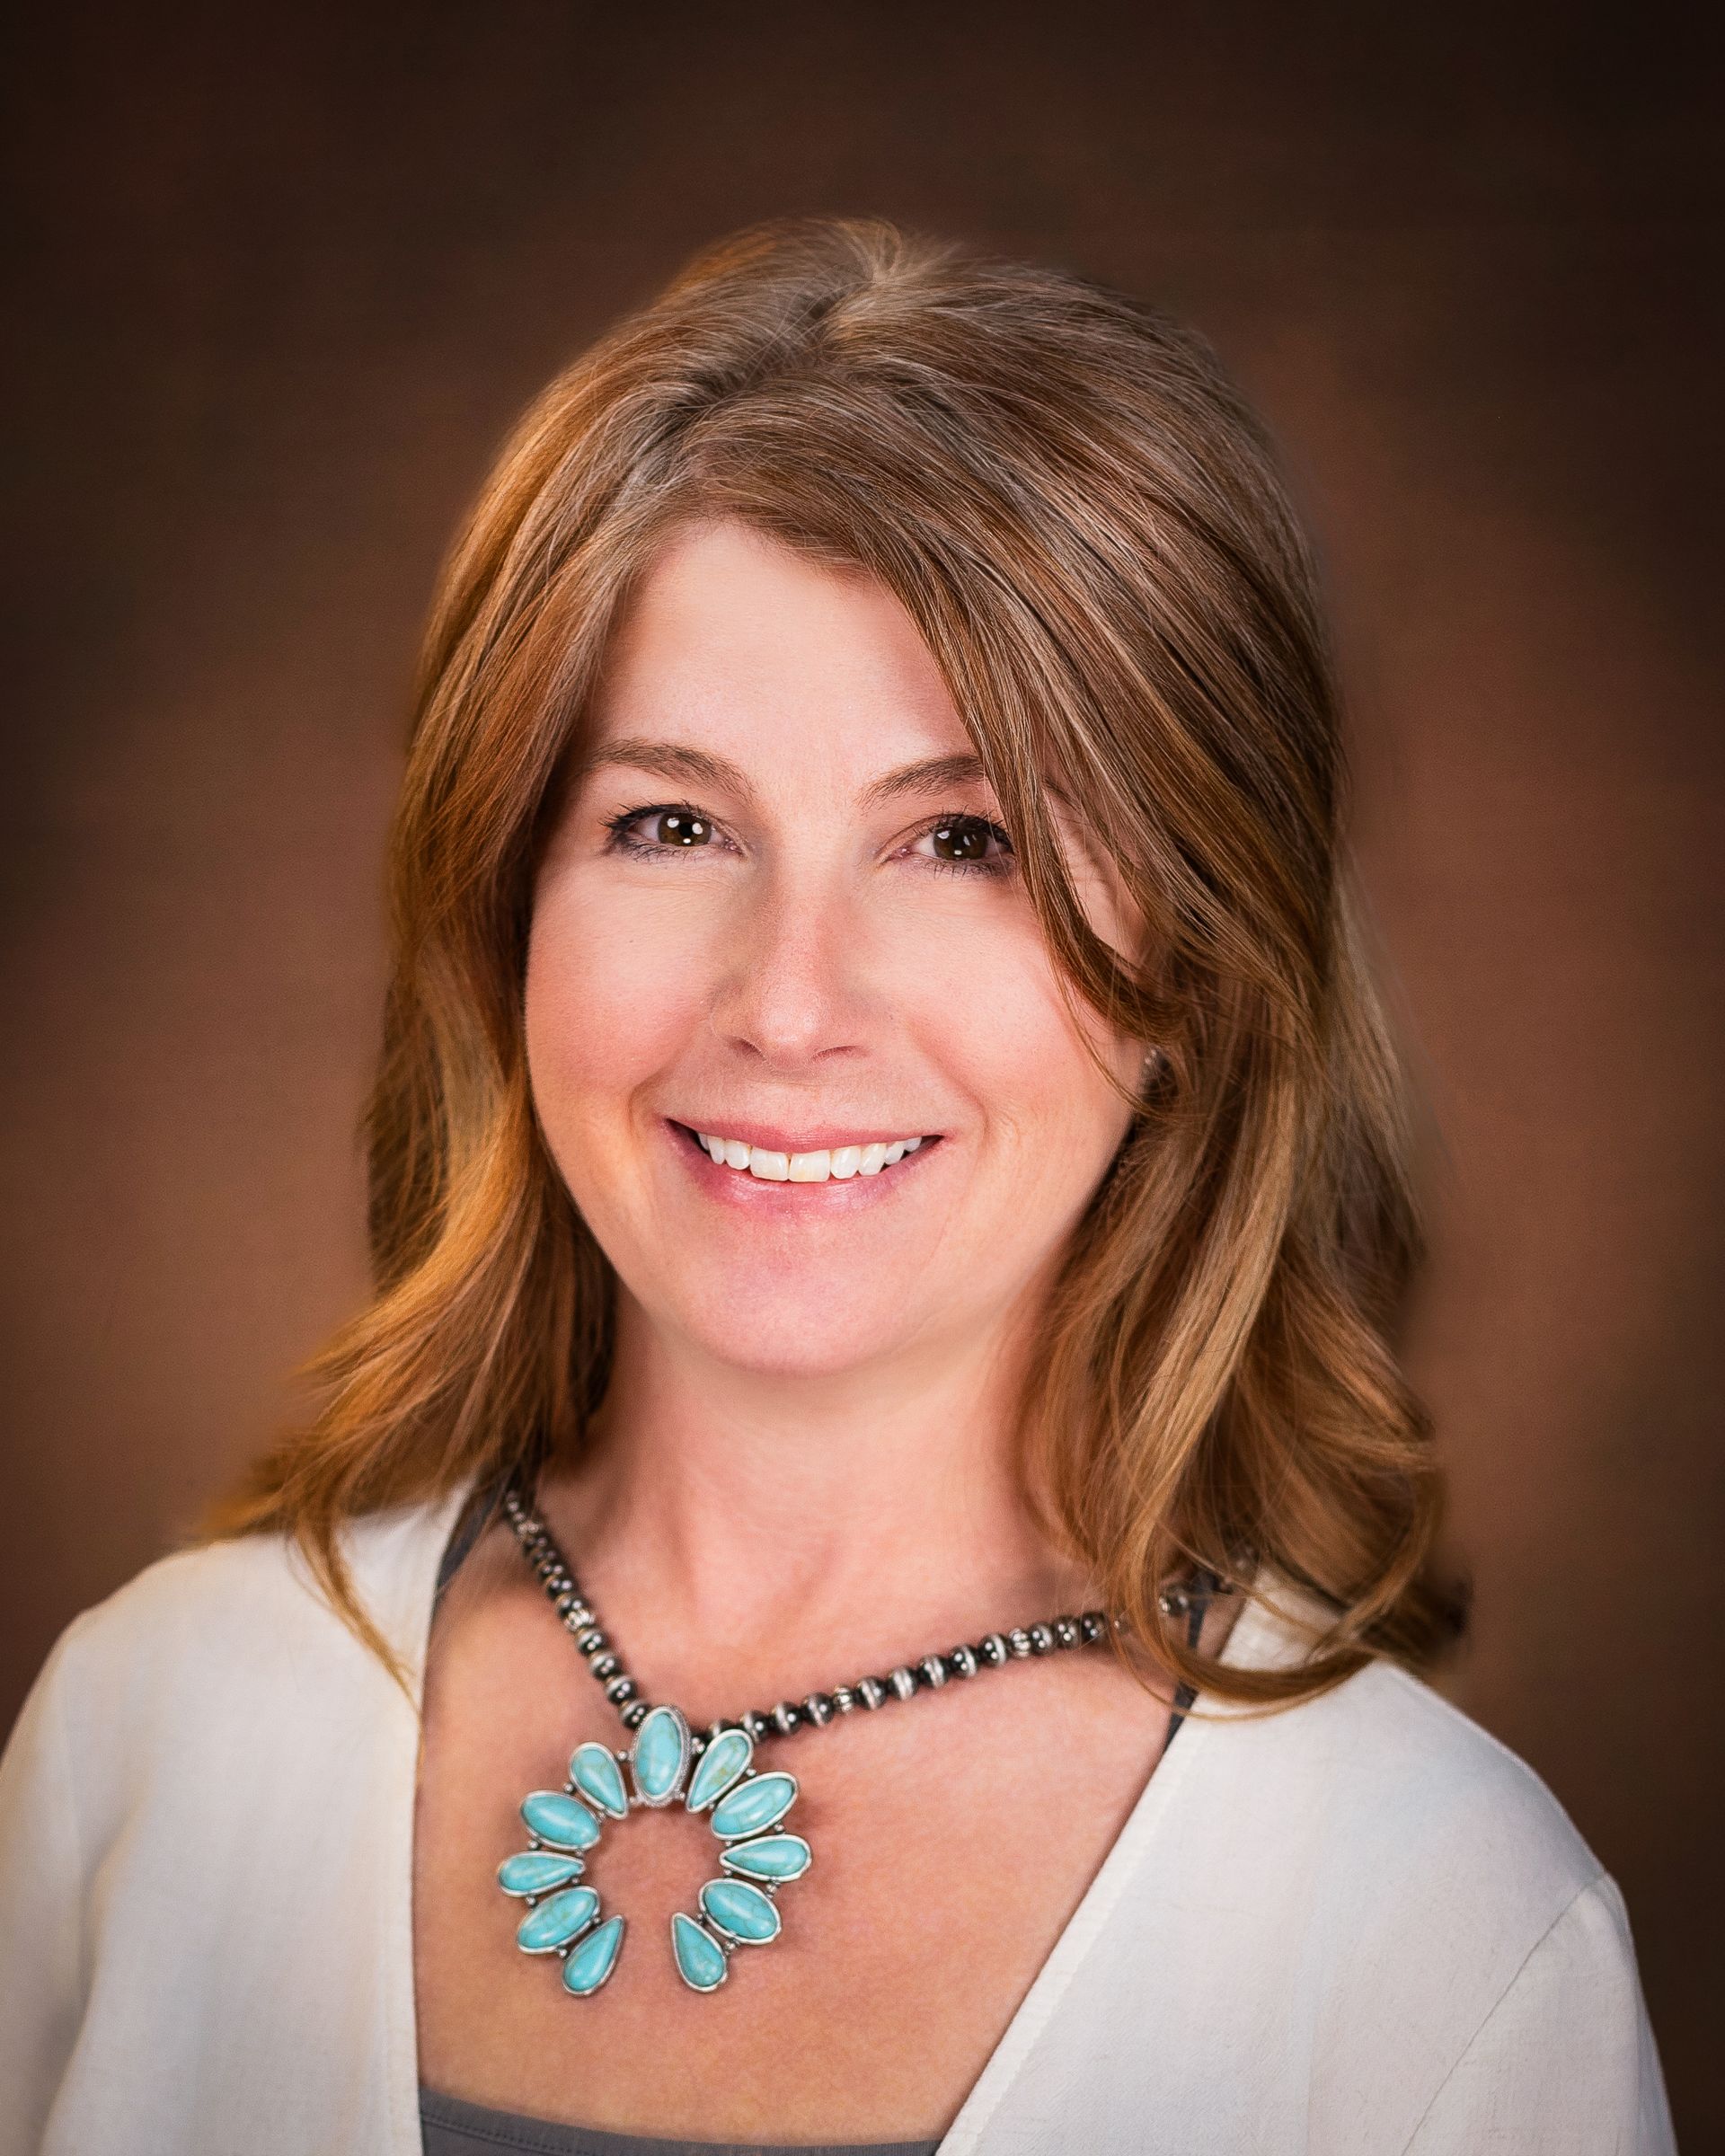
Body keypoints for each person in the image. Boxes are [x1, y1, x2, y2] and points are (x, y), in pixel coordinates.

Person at [0, 216, 1676, 2156]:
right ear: (502, 922)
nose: (789, 1005)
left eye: (962, 837)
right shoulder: (149, 1741)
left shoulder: (1444, 1937)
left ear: (1199, 982)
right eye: (673, 821)